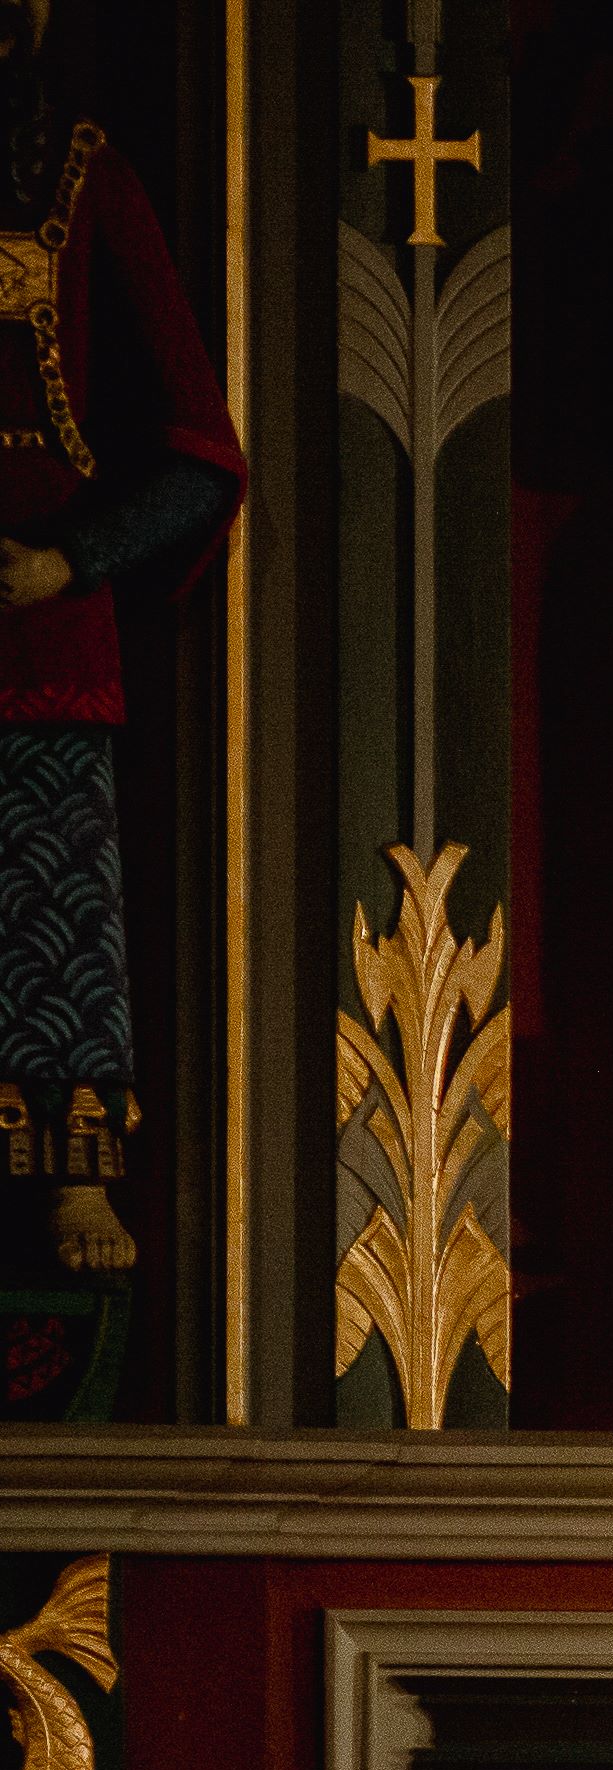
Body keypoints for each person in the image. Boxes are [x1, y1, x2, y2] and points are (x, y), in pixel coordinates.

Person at [0, 0, 241, 1310]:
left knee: (54, 904)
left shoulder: (91, 181)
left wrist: (70, 560)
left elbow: (203, 453)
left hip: (42, 619)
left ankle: (71, 1168)